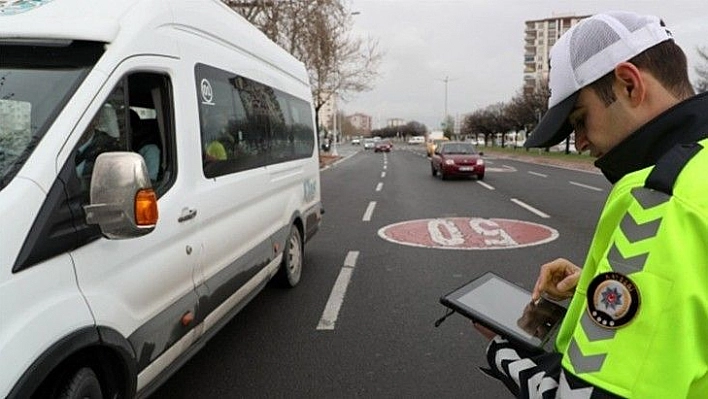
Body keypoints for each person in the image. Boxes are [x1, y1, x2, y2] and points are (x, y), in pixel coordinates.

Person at [475, 11, 708, 398]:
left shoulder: (662, 198)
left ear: (630, 84)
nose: (580, 142)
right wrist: (596, 288)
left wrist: (502, 350)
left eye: (581, 119)